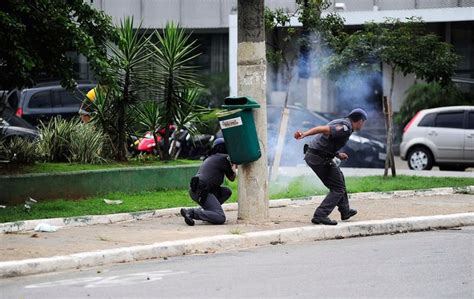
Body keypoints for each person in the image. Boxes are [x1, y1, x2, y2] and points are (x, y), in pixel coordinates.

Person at [294, 108, 368, 225]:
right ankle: (320, 215)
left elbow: (328, 141)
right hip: (318, 158)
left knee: (339, 176)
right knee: (338, 189)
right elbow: (322, 129)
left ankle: (345, 210)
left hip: (319, 156)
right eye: (364, 122)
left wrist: (338, 155)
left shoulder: (342, 123)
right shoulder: (345, 127)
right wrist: (304, 134)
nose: (363, 125)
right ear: (359, 121)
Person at [180, 138, 237, 226]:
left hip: (197, 189)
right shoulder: (224, 158)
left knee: (226, 192)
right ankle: (191, 212)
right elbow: (232, 178)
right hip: (202, 191)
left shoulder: (210, 157)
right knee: (220, 217)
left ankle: (207, 212)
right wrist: (234, 166)